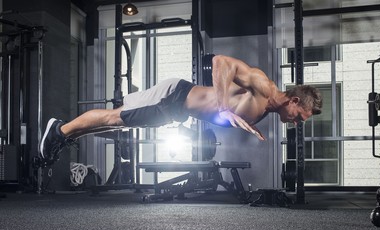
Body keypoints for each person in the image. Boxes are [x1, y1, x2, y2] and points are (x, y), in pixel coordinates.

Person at [39, 54, 322, 163]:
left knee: (119, 122)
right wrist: (224, 108)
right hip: (175, 96)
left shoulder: (268, 109)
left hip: (178, 109)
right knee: (116, 118)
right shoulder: (262, 85)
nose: (296, 123)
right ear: (294, 101)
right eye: (300, 117)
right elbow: (222, 61)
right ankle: (59, 130)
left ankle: (64, 135)